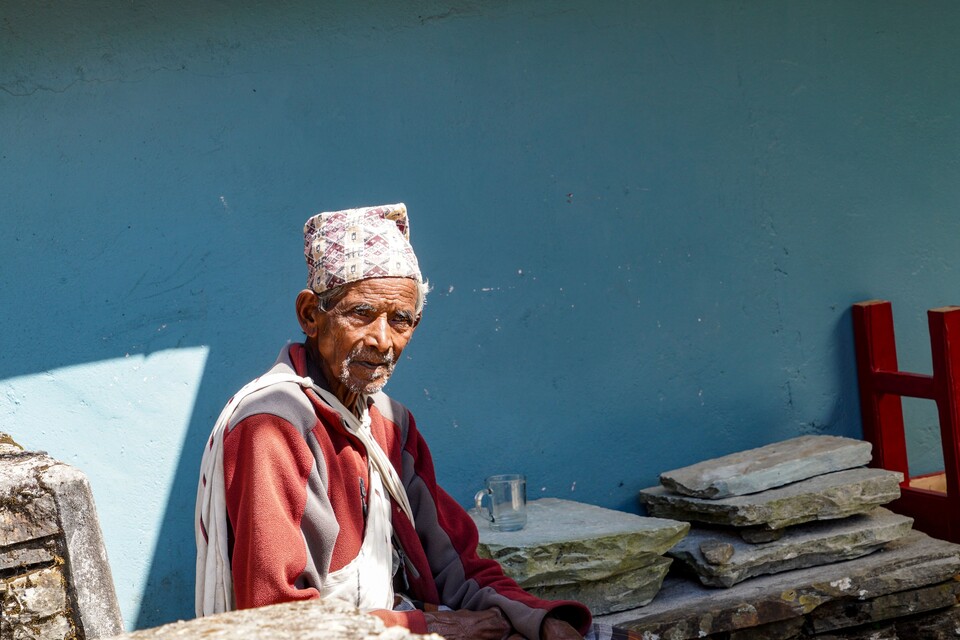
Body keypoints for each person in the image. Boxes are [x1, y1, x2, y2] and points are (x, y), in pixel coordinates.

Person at [195, 203, 591, 640]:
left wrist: (541, 619)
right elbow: (276, 620)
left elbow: (455, 566)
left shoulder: (390, 423)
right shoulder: (271, 427)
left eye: (400, 320)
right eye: (361, 313)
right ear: (311, 315)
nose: (383, 340)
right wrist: (423, 626)